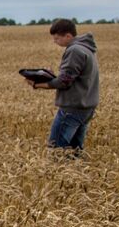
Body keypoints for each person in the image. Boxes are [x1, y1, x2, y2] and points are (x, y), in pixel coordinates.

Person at [26, 19, 98, 155]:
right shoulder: (87, 48)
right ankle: (76, 175)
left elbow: (64, 81)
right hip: (86, 106)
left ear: (68, 36)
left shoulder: (74, 50)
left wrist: (37, 84)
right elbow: (72, 77)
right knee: (74, 150)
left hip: (72, 106)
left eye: (57, 38)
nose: (55, 42)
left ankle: (63, 174)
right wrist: (52, 76)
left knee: (56, 150)